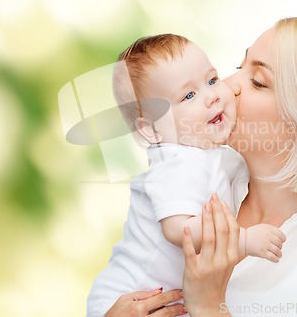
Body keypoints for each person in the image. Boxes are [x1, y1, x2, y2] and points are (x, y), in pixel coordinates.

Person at [105, 17, 297, 317]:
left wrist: (209, 306)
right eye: (240, 67)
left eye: (258, 81)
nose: (228, 86)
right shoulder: (206, 174)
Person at [87, 34, 286, 317]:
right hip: (127, 298)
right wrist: (244, 241)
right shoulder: (179, 161)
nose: (212, 96)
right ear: (152, 130)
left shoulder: (210, 152)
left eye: (212, 80)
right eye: (188, 95)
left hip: (166, 300)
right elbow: (178, 229)